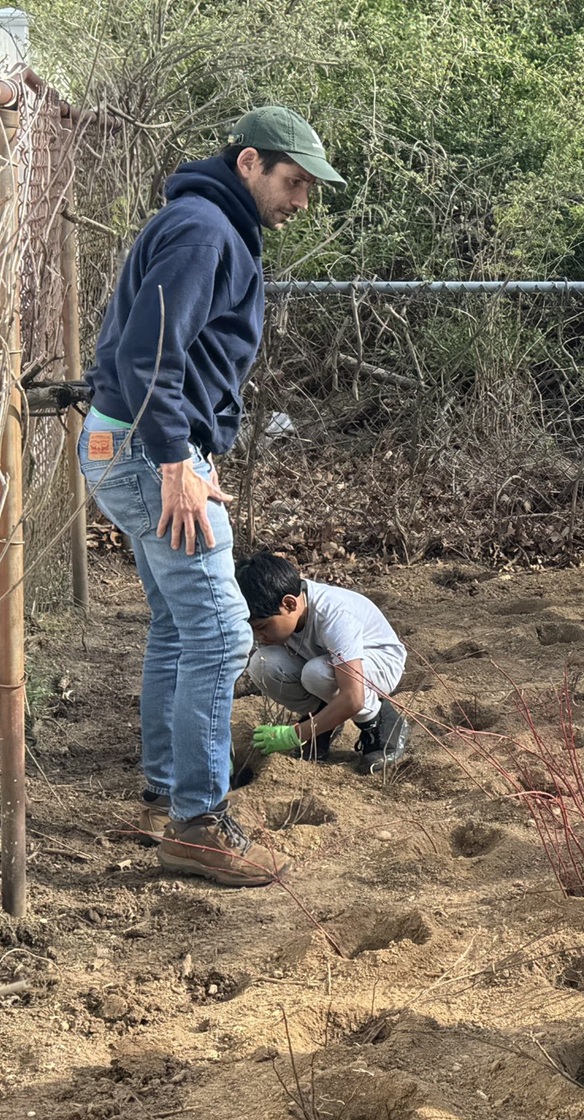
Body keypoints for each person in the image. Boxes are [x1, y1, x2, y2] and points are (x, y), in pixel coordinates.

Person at [78, 106, 343, 887]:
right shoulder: (204, 230)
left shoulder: (207, 224)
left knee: (181, 620)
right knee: (226, 630)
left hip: (128, 440)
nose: (301, 202)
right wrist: (172, 459)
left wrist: (180, 449)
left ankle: (168, 783)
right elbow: (149, 351)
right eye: (294, 183)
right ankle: (198, 820)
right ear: (250, 162)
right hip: (144, 448)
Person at [234, 553, 411, 775]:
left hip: (379, 661)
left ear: (289, 603)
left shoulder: (334, 614)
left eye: (262, 627)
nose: (258, 636)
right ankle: (322, 724)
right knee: (263, 664)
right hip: (326, 662)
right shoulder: (284, 611)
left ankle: (379, 722)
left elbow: (352, 697)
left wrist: (295, 734)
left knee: (317, 673)